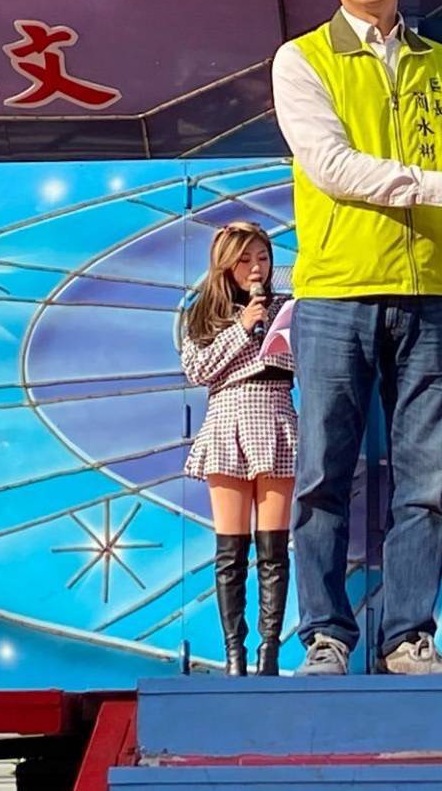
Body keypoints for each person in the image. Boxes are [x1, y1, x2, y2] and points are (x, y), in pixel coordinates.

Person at [272, 0, 442, 675]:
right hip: (338, 288)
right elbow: (332, 167)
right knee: (322, 475)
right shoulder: (302, 59)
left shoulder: (438, 63)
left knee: (427, 480)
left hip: (431, 288)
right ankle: (326, 636)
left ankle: (409, 635)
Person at [180, 221, 296, 677]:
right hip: (228, 420)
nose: (256, 268)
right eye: (245, 260)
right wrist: (242, 328)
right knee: (231, 551)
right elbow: (198, 369)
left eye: (262, 258)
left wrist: (274, 332)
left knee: (274, 548)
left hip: (276, 416)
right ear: (226, 265)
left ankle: (270, 652)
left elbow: (300, 363)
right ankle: (234, 654)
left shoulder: (286, 308)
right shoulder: (203, 314)